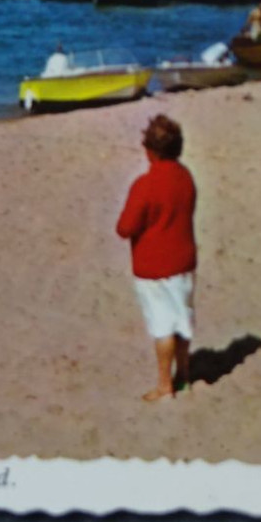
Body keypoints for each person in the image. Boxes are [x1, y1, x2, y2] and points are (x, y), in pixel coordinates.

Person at [115, 115, 198, 403]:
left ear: (150, 150)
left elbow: (124, 228)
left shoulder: (146, 185)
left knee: (163, 327)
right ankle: (184, 374)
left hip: (154, 266)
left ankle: (165, 384)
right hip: (184, 260)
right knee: (182, 320)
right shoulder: (185, 177)